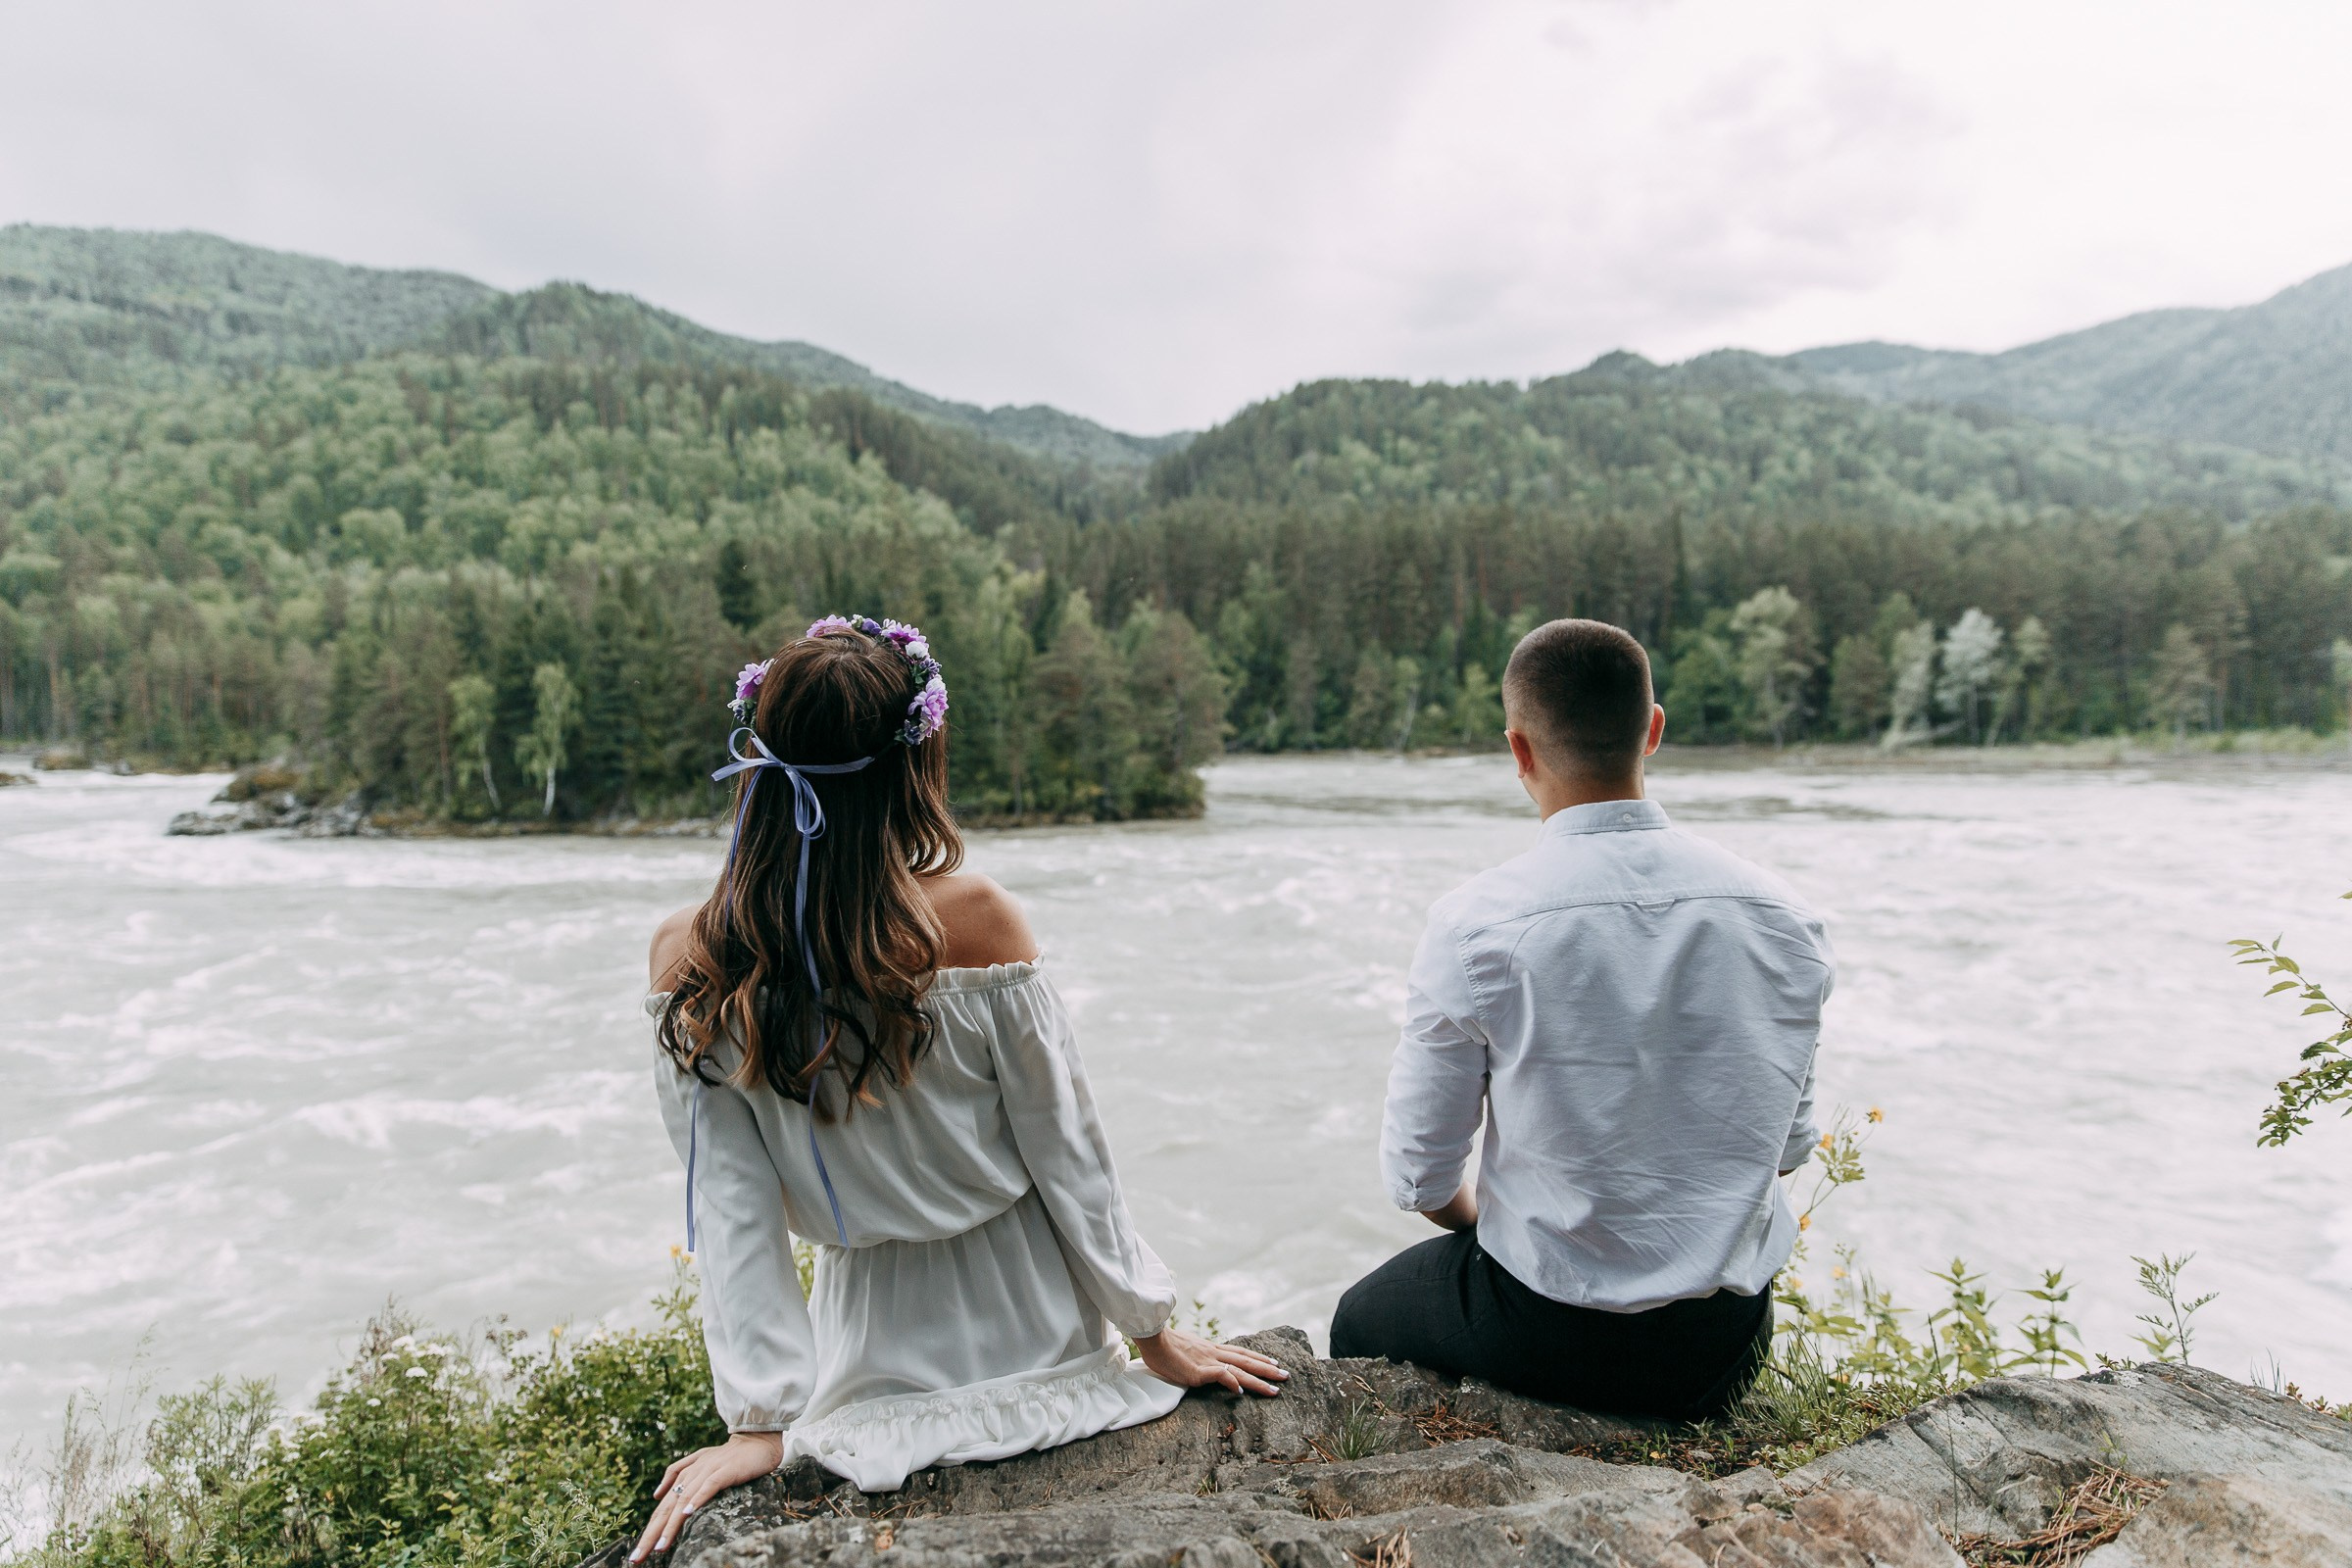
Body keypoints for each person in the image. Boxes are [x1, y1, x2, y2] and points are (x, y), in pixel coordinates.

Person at [631, 615, 1284, 1562]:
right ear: (917, 764)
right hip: (1041, 1331)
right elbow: (1069, 1152)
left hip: (859, 1368)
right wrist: (1151, 1335)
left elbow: (728, 1207)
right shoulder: (975, 919)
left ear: (762, 761)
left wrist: (761, 1424)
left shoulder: (688, 957)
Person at [1329, 618, 1831, 1422]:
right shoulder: (1784, 916)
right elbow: (1789, 1150)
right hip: (1724, 1342)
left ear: (1518, 751)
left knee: (1359, 1316)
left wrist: (1487, 1229)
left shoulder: (1474, 927)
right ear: (1654, 731)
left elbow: (1419, 1177)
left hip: (1548, 1333)